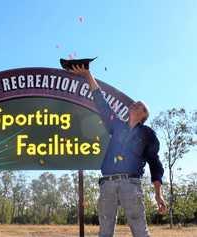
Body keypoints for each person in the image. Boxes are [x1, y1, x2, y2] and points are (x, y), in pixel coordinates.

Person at [69, 65, 167, 237]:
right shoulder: (117, 126)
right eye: (135, 103)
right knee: (105, 232)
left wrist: (158, 194)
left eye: (140, 105)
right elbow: (101, 102)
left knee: (140, 231)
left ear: (143, 115)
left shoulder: (147, 134)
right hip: (107, 184)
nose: (135, 104)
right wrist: (87, 74)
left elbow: (155, 163)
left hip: (130, 184)